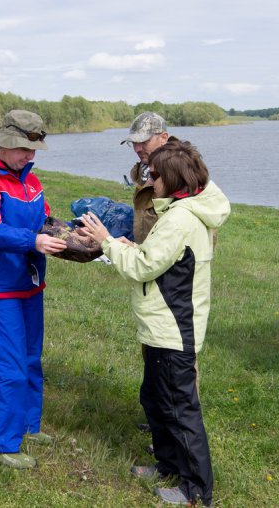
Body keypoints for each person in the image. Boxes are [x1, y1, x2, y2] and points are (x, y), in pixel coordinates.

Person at [79, 140, 230, 506]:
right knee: (156, 399)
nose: (150, 180)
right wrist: (118, 243)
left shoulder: (178, 219)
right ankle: (167, 465)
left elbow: (143, 267)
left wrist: (106, 243)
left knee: (180, 411)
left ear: (171, 178)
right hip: (160, 328)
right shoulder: (177, 212)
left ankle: (196, 490)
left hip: (173, 332)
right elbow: (151, 258)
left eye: (155, 174)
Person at [0, 110, 67, 469]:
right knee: (8, 365)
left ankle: (26, 425)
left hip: (29, 282)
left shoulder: (30, 181)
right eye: (24, 148)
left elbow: (44, 218)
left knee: (30, 359)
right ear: (4, 145)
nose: (30, 155)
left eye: (33, 149)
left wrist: (66, 232)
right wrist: (33, 240)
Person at [122, 111, 170, 244]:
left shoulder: (178, 173)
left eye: (144, 141)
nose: (137, 149)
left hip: (170, 261)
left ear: (164, 138)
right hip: (147, 258)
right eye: (134, 143)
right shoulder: (143, 170)